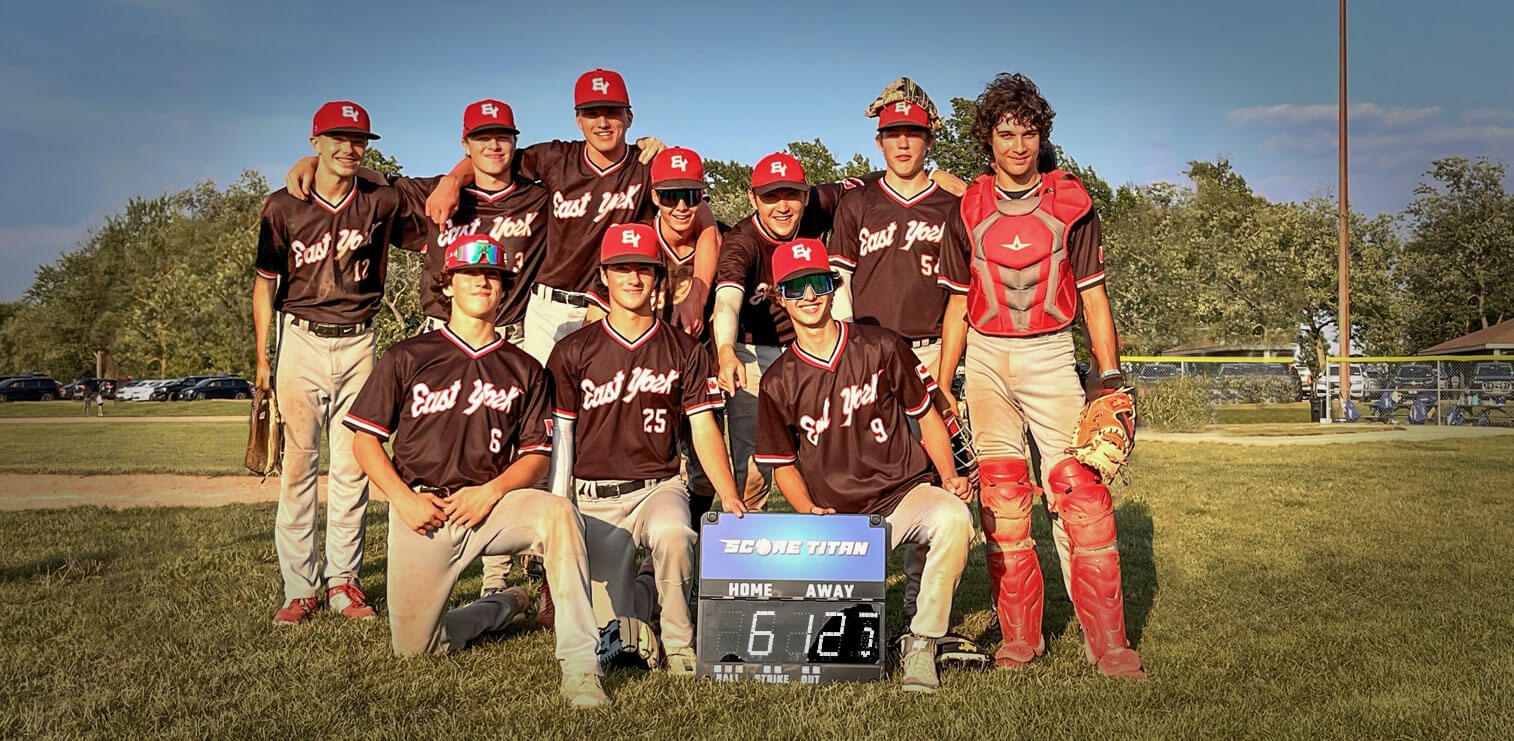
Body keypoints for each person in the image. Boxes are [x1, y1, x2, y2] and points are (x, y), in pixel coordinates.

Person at [935, 73, 1145, 678]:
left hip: (1051, 353)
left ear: (1041, 136)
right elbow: (954, 304)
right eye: (1006, 133)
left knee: (1080, 494)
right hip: (985, 356)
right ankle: (1020, 641)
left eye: (1029, 133)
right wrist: (945, 383)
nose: (1018, 145)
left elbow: (1095, 297)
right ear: (988, 140)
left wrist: (1110, 377)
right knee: (1002, 499)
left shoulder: (1073, 204)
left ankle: (1108, 644)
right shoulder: (968, 208)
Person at [343, 235, 609, 708]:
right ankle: (501, 606)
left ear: (504, 288)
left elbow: (537, 457)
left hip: (492, 505)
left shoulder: (524, 367)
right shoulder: (406, 356)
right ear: (448, 284)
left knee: (559, 514)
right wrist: (403, 499)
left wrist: (491, 491)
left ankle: (582, 668)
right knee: (416, 652)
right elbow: (364, 440)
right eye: (470, 274)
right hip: (421, 509)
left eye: (493, 276)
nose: (483, 282)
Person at [755, 237, 973, 694]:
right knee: (838, 647)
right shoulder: (777, 381)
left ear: (833, 286)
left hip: (903, 494)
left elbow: (926, 418)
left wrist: (950, 476)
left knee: (953, 519)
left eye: (817, 282)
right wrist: (807, 511)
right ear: (780, 297)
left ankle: (922, 640)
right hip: (841, 519)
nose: (809, 296)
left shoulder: (882, 345)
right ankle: (888, 626)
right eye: (795, 288)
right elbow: (783, 465)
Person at [546, 223, 742, 675]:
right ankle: (649, 587)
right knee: (613, 633)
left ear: (660, 278)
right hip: (595, 498)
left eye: (644, 270)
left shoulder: (684, 348)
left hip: (659, 485)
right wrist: (558, 507)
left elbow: (703, 427)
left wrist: (727, 492)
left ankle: (680, 643)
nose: (634, 279)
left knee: (676, 535)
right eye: (623, 269)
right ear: (604, 276)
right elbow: (564, 437)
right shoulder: (573, 350)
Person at [424, 69, 721, 363]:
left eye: (612, 112)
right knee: (544, 397)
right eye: (592, 113)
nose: (603, 123)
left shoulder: (645, 164)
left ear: (629, 118)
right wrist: (451, 180)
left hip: (614, 304)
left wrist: (697, 294)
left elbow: (704, 223)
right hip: (549, 307)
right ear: (578, 120)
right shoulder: (556, 158)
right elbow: (492, 160)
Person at [253, 101, 406, 626]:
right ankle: (300, 587)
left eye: (358, 140)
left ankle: (343, 582)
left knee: (351, 468)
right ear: (315, 141)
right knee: (298, 466)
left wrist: (363, 170)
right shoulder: (282, 206)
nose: (348, 147)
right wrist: (262, 358)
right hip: (300, 339)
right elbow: (265, 283)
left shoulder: (380, 202)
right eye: (337, 138)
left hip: (360, 340)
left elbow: (414, 201)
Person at [828, 80, 963, 629]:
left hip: (929, 349)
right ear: (878, 141)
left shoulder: (953, 203)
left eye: (913, 133)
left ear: (928, 140)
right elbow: (838, 283)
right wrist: (845, 353)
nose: (903, 144)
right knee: (862, 476)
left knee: (930, 476)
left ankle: (916, 607)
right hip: (868, 357)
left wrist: (950, 369)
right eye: (893, 134)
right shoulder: (856, 202)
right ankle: (853, 602)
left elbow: (961, 293)